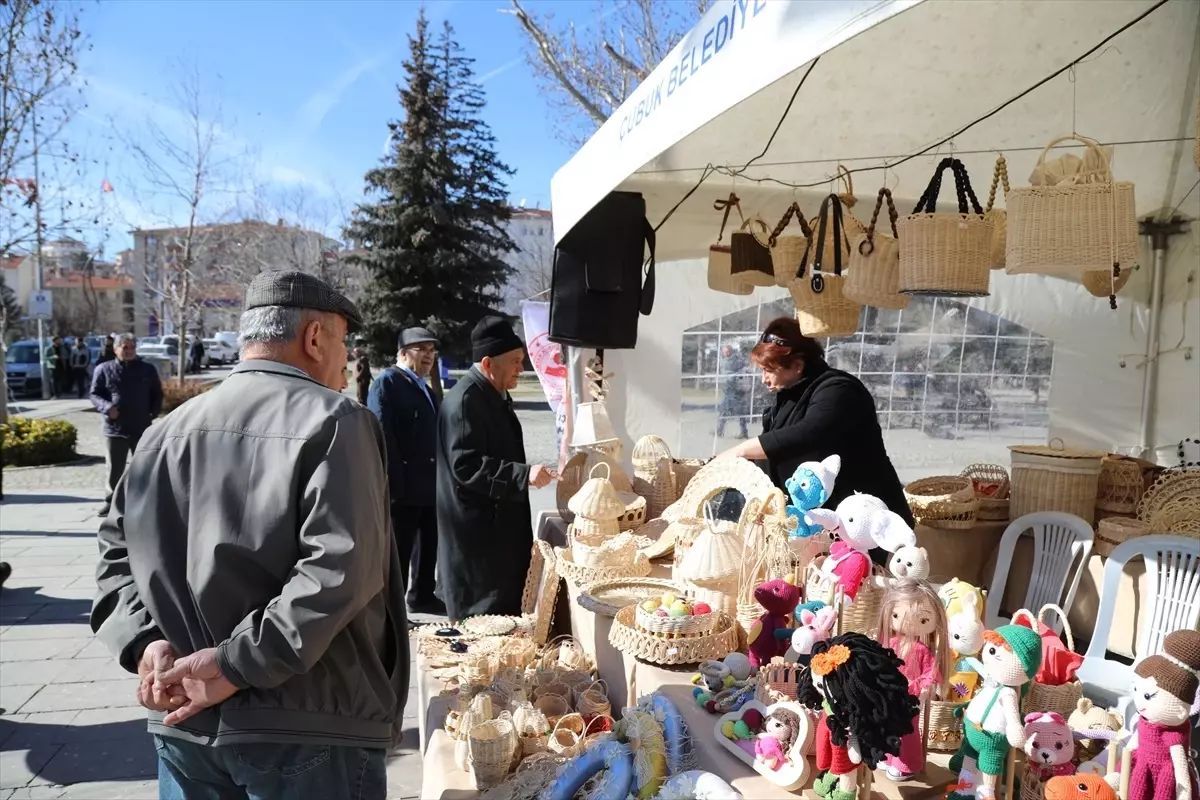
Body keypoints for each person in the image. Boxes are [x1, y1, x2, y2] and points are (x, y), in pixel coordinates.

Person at [90, 271, 407, 799]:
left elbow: (113, 557)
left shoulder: (160, 433)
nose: (345, 358)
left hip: (184, 723)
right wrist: (234, 664)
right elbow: (339, 570)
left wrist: (146, 644)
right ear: (314, 337)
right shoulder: (336, 419)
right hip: (305, 727)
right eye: (343, 341)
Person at [717, 316, 913, 563]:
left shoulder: (839, 390)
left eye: (769, 371)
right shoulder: (790, 393)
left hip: (870, 526)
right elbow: (775, 454)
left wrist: (740, 451)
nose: (764, 379)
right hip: (827, 528)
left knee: (865, 594)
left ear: (798, 365)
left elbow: (805, 435)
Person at [436, 316, 553, 620]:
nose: (521, 369)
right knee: (483, 629)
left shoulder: (491, 393)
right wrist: (523, 474)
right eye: (515, 361)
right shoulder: (466, 401)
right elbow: (466, 465)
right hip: (478, 547)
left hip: (495, 536)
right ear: (488, 364)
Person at [368, 327, 444, 616]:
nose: (428, 356)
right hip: (402, 488)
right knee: (397, 552)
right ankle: (390, 611)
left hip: (429, 485)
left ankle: (422, 595)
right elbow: (382, 435)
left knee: (428, 545)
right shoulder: (388, 382)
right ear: (402, 353)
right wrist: (393, 486)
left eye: (432, 350)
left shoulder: (424, 387)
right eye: (421, 349)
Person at [90, 335, 163, 517]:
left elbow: (157, 394)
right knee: (115, 468)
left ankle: (144, 502)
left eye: (132, 347)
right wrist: (108, 408)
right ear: (115, 349)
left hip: (141, 427)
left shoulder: (147, 369)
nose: (128, 350)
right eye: (124, 347)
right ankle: (111, 503)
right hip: (115, 428)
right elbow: (95, 395)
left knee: (143, 467)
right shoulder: (104, 369)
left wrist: (152, 413)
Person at [717, 343, 750, 439]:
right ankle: (719, 431)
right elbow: (722, 374)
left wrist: (734, 376)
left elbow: (745, 369)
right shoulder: (722, 361)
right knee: (723, 411)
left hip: (736, 391)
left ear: (731, 351)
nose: (726, 353)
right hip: (727, 390)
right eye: (724, 352)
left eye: (727, 351)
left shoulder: (738, 360)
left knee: (740, 412)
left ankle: (744, 432)